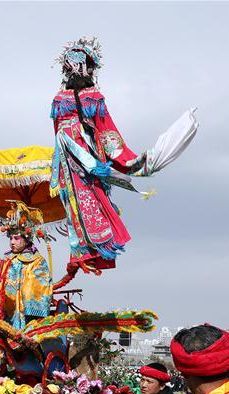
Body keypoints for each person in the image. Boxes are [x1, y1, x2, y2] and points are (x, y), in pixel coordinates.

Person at [50, 37, 146, 274]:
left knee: (93, 198)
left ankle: (99, 248)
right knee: (72, 203)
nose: (74, 70)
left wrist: (127, 160)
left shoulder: (93, 97)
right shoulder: (58, 99)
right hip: (65, 156)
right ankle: (81, 252)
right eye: (70, 66)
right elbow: (56, 130)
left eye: (79, 65)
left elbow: (106, 130)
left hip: (87, 157)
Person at [0, 201, 53, 330]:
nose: (12, 242)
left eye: (16, 238)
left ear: (27, 240)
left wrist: (18, 294)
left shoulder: (37, 261)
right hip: (3, 312)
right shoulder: (5, 260)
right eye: (10, 238)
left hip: (27, 317)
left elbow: (38, 287)